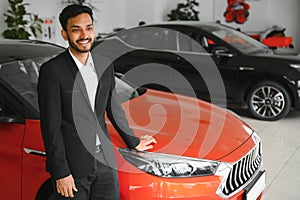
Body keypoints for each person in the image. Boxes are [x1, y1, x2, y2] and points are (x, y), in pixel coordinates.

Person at [37, 4, 156, 200]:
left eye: (88, 28)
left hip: (105, 160)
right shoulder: (52, 71)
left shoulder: (104, 64)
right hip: (73, 165)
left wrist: (133, 141)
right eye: (76, 30)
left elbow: (114, 109)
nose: (84, 35)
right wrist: (60, 172)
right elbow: (51, 127)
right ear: (65, 34)